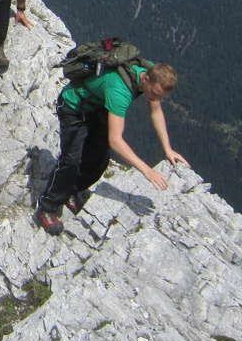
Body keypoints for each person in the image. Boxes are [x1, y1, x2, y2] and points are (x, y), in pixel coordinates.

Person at [35, 61, 188, 235]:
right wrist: (147, 170)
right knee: (71, 160)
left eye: (160, 96)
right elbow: (115, 141)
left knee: (99, 161)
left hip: (96, 108)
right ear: (146, 79)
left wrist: (167, 149)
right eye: (154, 93)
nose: (155, 98)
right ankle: (47, 208)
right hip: (73, 107)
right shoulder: (120, 90)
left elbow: (156, 111)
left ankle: (71, 191)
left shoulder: (152, 77)